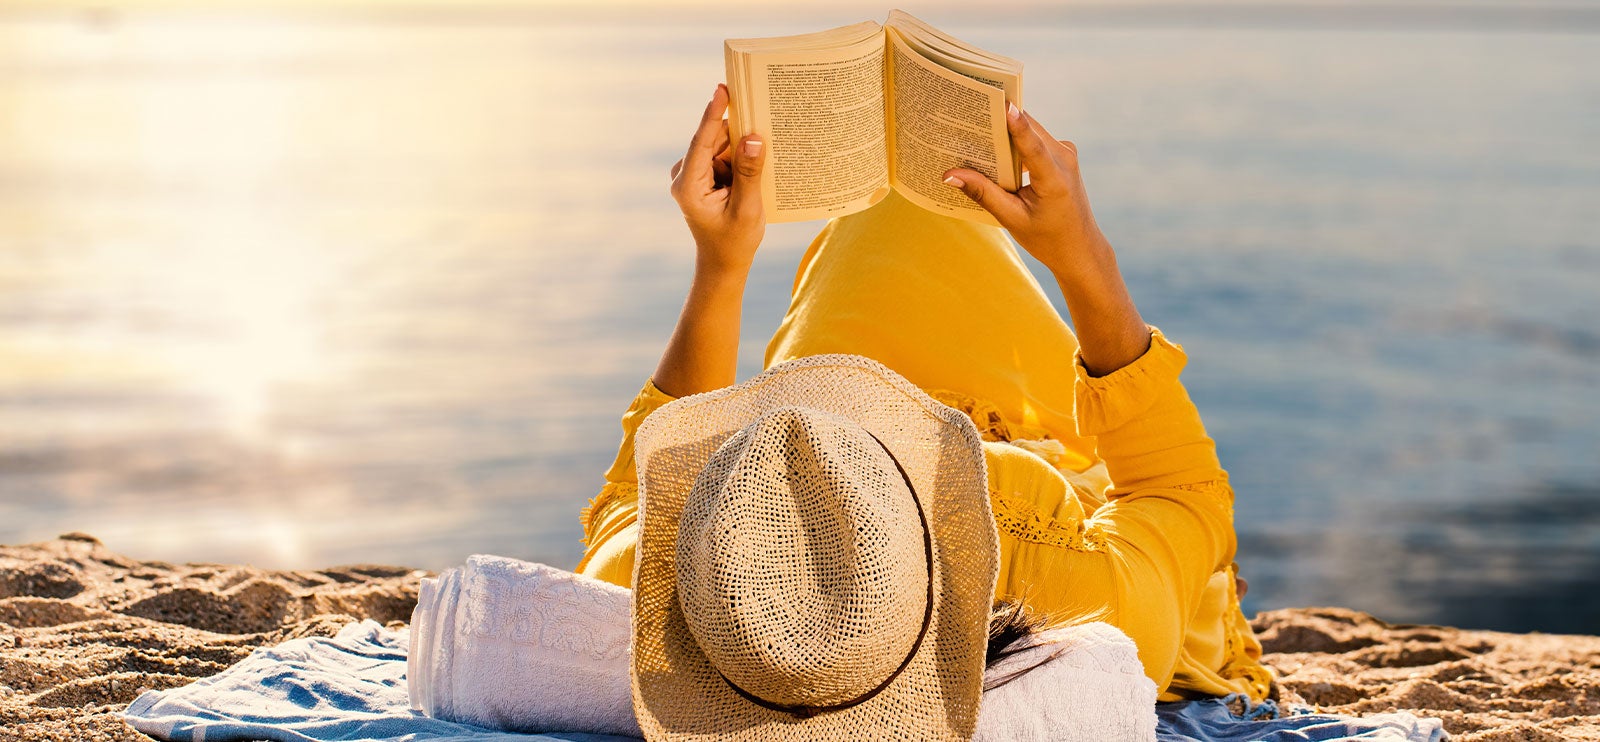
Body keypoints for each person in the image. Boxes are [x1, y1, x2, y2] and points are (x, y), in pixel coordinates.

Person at [575, 82, 1273, 731]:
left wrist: (720, 263)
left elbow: (637, 486)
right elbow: (1183, 490)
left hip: (816, 442)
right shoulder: (1078, 600)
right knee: (904, 207)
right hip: (983, 427)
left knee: (890, 206)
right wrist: (1080, 249)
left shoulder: (686, 572)